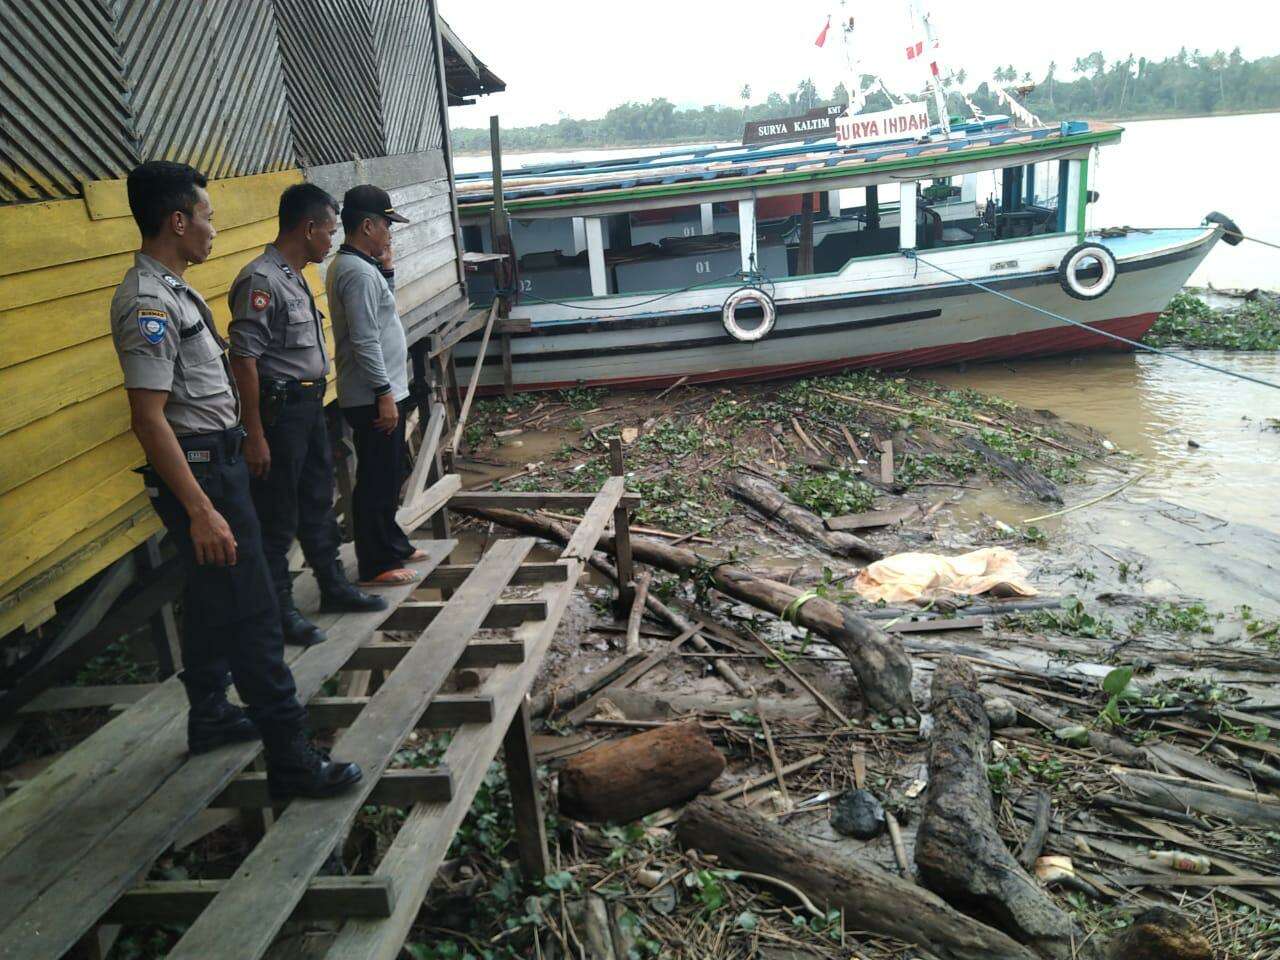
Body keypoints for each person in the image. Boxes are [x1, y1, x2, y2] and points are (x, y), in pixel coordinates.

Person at [110, 160, 361, 799]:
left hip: (212, 466)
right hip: (205, 477)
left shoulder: (174, 287)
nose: (214, 230)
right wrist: (200, 509)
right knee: (252, 613)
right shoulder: (148, 302)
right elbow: (148, 417)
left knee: (209, 598)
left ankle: (211, 713)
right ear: (177, 220)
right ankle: (292, 757)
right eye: (207, 216)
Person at [228, 184, 386, 648]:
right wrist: (254, 434)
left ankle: (333, 586)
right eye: (330, 231)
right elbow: (244, 360)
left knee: (318, 500)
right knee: (277, 516)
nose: (332, 240)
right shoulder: (261, 281)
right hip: (278, 416)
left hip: (308, 406)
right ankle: (279, 611)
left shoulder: (296, 275)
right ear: (309, 227)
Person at [326, 184, 429, 586]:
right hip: (374, 395)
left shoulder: (361, 268)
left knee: (388, 473)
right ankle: (375, 563)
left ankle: (392, 543)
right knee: (375, 478)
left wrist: (386, 269)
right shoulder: (353, 272)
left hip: (382, 390)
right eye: (386, 225)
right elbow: (365, 338)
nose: (390, 233)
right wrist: (384, 393)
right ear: (367, 225)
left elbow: (380, 315)